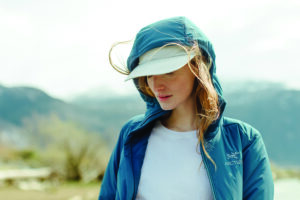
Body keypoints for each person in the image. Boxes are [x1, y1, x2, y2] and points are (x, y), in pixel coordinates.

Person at [99, 16, 274, 200]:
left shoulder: (244, 140)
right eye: (149, 74)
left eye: (168, 72)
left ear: (198, 68)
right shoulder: (131, 134)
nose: (156, 85)